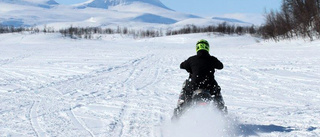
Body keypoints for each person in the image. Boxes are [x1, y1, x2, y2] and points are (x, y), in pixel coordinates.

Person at [175, 39, 225, 111]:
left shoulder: (192, 59)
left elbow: (182, 65)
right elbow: (221, 66)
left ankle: (180, 110)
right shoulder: (212, 59)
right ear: (207, 48)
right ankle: (222, 110)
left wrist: (189, 67)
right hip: (209, 85)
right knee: (217, 91)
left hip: (194, 85)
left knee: (185, 90)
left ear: (197, 48)